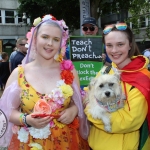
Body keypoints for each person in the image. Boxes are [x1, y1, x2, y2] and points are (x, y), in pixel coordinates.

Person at [0, 14, 89, 150]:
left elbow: (79, 100)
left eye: (55, 39)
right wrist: (26, 119)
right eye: (45, 37)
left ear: (61, 43)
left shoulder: (69, 71)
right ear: (35, 39)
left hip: (66, 142)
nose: (50, 43)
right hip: (30, 143)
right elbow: (6, 110)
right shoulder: (19, 74)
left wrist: (74, 109)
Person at [84, 22, 150, 150]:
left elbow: (128, 121)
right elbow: (88, 92)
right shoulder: (106, 70)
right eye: (109, 45)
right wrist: (88, 102)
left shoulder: (142, 78)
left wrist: (90, 111)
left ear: (130, 44)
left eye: (120, 44)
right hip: (95, 145)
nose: (114, 50)